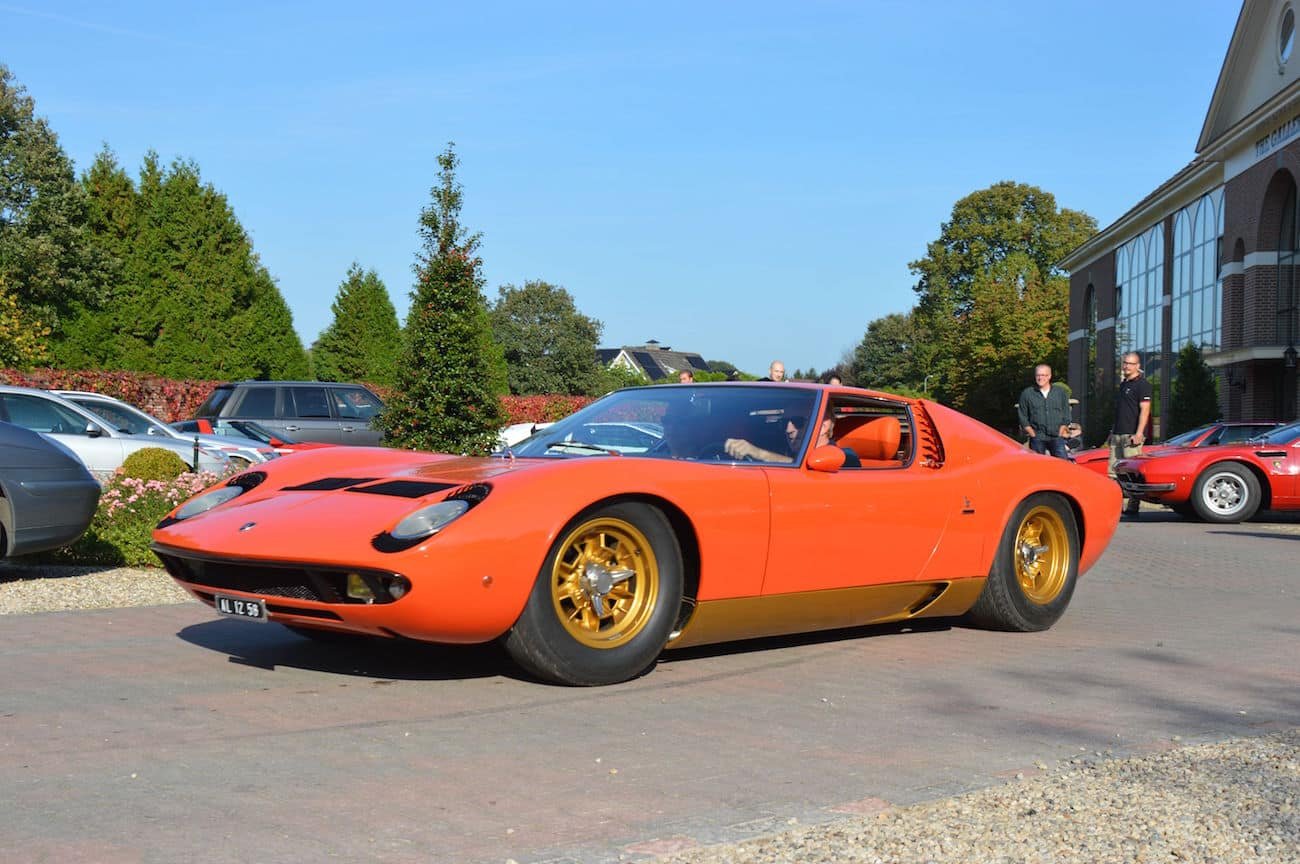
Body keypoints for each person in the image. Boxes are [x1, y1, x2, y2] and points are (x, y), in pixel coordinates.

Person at [1110, 351, 1153, 519]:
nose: (1126, 366)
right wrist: (1112, 432)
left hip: (1131, 436)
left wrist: (1139, 432)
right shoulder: (1123, 385)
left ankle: (1133, 506)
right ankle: (1114, 505)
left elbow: (1145, 410)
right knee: (1113, 473)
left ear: (1138, 366)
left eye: (1130, 363)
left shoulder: (1143, 385)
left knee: (1131, 473)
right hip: (1117, 434)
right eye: (1125, 363)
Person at [1017, 364, 1072, 459]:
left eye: (1043, 375)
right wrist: (1032, 434)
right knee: (1038, 465)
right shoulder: (1027, 394)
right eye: (1038, 375)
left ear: (1049, 376)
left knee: (1062, 464)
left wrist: (1060, 432)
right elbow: (1022, 416)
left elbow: (1066, 414)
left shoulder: (1060, 393)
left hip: (1056, 436)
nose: (1040, 378)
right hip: (1037, 437)